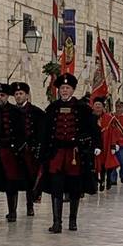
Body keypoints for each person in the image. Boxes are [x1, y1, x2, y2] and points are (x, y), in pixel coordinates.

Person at [39, 73, 101, 233]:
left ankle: (72, 221)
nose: (64, 91)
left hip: (75, 154)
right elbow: (45, 133)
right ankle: (57, 222)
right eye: (62, 88)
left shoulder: (83, 109)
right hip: (57, 153)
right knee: (56, 186)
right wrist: (43, 153)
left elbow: (94, 129)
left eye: (67, 88)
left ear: (72, 90)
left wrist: (94, 144)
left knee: (75, 187)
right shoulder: (52, 109)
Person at [0, 82, 26, 224]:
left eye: (2, 95)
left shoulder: (15, 112)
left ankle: (12, 211)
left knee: (11, 183)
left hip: (10, 152)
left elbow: (21, 133)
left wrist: (16, 148)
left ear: (7, 96)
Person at [11, 81, 45, 216]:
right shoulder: (11, 111)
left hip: (29, 150)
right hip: (14, 150)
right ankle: (12, 209)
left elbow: (41, 131)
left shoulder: (36, 112)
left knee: (29, 179)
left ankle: (30, 205)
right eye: (16, 94)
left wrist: (37, 147)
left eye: (21, 94)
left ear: (26, 95)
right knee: (12, 178)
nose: (18, 96)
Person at [92, 97, 120, 191]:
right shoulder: (90, 117)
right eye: (96, 106)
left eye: (99, 106)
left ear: (103, 107)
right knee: (95, 165)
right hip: (94, 144)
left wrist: (113, 145)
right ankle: (97, 183)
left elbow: (113, 132)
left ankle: (107, 179)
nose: (97, 108)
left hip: (106, 144)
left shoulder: (109, 118)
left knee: (107, 164)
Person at [110, 100, 123, 184]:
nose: (118, 109)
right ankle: (113, 179)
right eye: (117, 107)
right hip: (114, 143)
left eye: (120, 107)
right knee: (113, 162)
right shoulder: (112, 117)